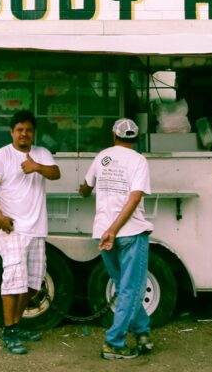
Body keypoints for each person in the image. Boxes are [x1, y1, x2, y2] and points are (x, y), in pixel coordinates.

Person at [0, 109, 61, 355]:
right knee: (13, 280)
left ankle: (16, 325)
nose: (24, 134)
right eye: (19, 130)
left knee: (33, 283)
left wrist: (36, 166)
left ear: (33, 132)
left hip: (37, 228)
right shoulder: (1, 156)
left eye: (28, 130)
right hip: (13, 228)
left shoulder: (41, 154)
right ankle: (9, 331)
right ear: (12, 132)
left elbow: (56, 174)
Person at [79, 117, 155, 360]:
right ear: (137, 138)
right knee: (131, 290)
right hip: (130, 232)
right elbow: (134, 199)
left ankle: (142, 331)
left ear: (114, 136)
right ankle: (114, 342)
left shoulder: (102, 156)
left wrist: (109, 229)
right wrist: (116, 229)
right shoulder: (139, 161)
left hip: (103, 232)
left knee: (124, 288)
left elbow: (85, 187)